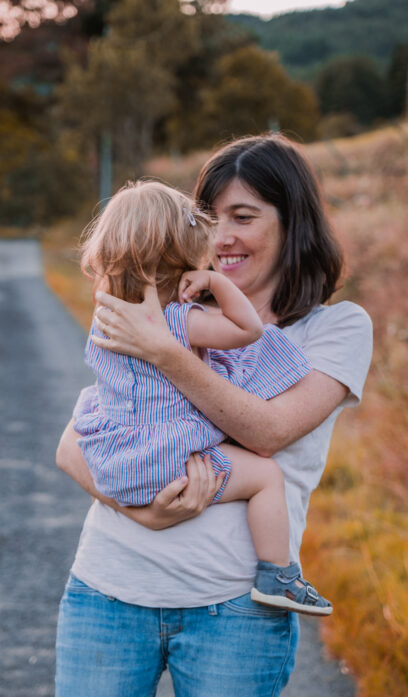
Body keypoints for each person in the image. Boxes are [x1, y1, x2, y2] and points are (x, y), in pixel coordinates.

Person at [49, 133, 373, 697]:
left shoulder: (334, 330)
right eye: (210, 217)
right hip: (107, 593)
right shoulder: (161, 312)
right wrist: (136, 506)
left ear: (293, 222)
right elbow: (73, 443)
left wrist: (166, 351)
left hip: (235, 615)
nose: (222, 236)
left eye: (244, 216)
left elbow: (267, 431)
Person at [75, 179, 331, 615]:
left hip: (118, 465)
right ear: (180, 260)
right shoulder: (180, 321)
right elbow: (248, 329)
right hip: (170, 460)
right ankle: (278, 576)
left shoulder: (107, 322)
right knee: (267, 477)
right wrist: (215, 281)